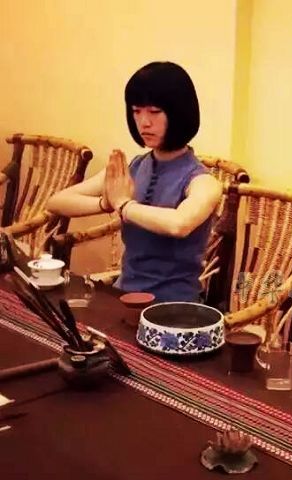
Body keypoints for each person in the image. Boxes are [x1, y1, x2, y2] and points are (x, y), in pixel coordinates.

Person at [47, 61, 222, 302]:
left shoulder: (203, 181)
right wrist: (105, 203)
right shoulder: (134, 168)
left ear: (179, 112)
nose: (144, 122)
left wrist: (124, 205)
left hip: (173, 307)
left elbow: (179, 224)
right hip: (124, 294)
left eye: (154, 112)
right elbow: (56, 202)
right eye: (136, 111)